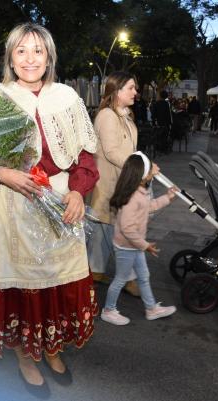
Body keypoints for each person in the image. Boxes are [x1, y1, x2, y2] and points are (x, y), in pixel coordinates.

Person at [0, 23, 99, 395]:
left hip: (60, 204)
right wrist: (1, 171)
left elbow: (87, 156)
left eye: (38, 51)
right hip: (10, 204)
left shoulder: (68, 98)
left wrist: (77, 192)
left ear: (49, 57)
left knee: (57, 284)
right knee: (22, 288)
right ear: (10, 57)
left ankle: (51, 347)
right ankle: (26, 355)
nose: (29, 58)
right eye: (21, 50)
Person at [100, 152, 177, 325]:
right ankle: (108, 310)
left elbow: (149, 207)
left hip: (134, 245)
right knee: (121, 279)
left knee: (143, 276)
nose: (153, 173)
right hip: (127, 247)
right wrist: (145, 245)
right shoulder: (133, 197)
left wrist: (167, 198)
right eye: (150, 170)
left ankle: (151, 308)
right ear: (142, 175)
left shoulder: (140, 191)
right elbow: (127, 228)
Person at [88, 71, 141, 296]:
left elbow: (125, 148)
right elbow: (111, 152)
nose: (135, 92)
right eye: (131, 87)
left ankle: (95, 271)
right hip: (108, 183)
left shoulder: (124, 115)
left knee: (102, 230)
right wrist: (140, 168)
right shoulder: (108, 116)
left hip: (117, 182)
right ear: (117, 91)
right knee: (120, 233)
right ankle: (129, 278)